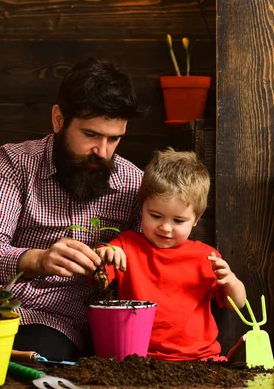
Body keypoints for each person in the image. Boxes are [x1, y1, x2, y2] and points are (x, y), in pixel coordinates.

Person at [0, 58, 144, 360]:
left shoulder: (133, 183)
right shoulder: (16, 163)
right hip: (14, 312)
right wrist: (38, 259)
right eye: (90, 135)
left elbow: (148, 268)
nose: (102, 151)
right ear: (59, 119)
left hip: (88, 325)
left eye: (114, 139)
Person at [96, 148, 247, 361]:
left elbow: (237, 303)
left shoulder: (207, 257)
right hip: (137, 357)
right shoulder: (127, 245)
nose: (165, 228)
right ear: (142, 208)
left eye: (178, 221)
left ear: (196, 219)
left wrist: (230, 280)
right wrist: (105, 255)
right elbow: (95, 275)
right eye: (156, 216)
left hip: (199, 358)